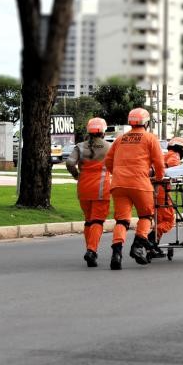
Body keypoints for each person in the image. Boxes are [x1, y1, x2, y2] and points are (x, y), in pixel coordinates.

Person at [104, 107, 165, 269]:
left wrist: (118, 173)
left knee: (122, 220)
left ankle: (116, 253)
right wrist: (159, 178)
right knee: (146, 216)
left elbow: (108, 161)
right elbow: (159, 163)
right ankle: (137, 246)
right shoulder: (150, 138)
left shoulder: (120, 139)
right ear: (146, 123)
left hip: (118, 184)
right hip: (140, 184)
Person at [65, 117, 112, 268]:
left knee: (88, 221)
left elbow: (69, 162)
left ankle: (89, 249)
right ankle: (92, 250)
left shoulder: (80, 146)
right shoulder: (109, 147)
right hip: (101, 189)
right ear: (103, 132)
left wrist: (76, 175)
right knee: (97, 221)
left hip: (84, 188)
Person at [153, 136, 183, 247]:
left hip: (153, 189)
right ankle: (149, 239)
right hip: (162, 190)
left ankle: (153, 245)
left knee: (159, 221)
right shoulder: (175, 155)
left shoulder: (164, 155)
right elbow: (170, 166)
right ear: (181, 149)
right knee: (168, 221)